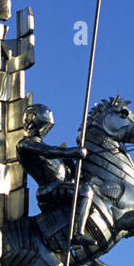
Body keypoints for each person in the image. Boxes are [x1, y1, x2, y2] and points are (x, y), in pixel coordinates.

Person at [16, 104, 93, 245]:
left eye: (48, 126)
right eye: (44, 125)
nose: (46, 130)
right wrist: (73, 151)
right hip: (50, 190)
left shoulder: (46, 149)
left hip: (61, 185)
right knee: (85, 191)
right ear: (35, 122)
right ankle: (78, 233)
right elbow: (48, 151)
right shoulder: (26, 145)